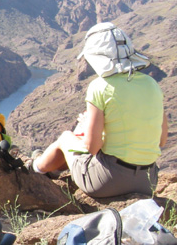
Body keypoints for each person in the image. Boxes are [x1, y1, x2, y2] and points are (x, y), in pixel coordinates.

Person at [29, 22, 168, 198]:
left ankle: (34, 168)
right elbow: (162, 140)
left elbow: (92, 147)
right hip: (148, 181)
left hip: (108, 182)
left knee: (66, 137)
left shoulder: (100, 87)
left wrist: (87, 125)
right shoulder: (152, 84)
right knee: (82, 135)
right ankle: (53, 170)